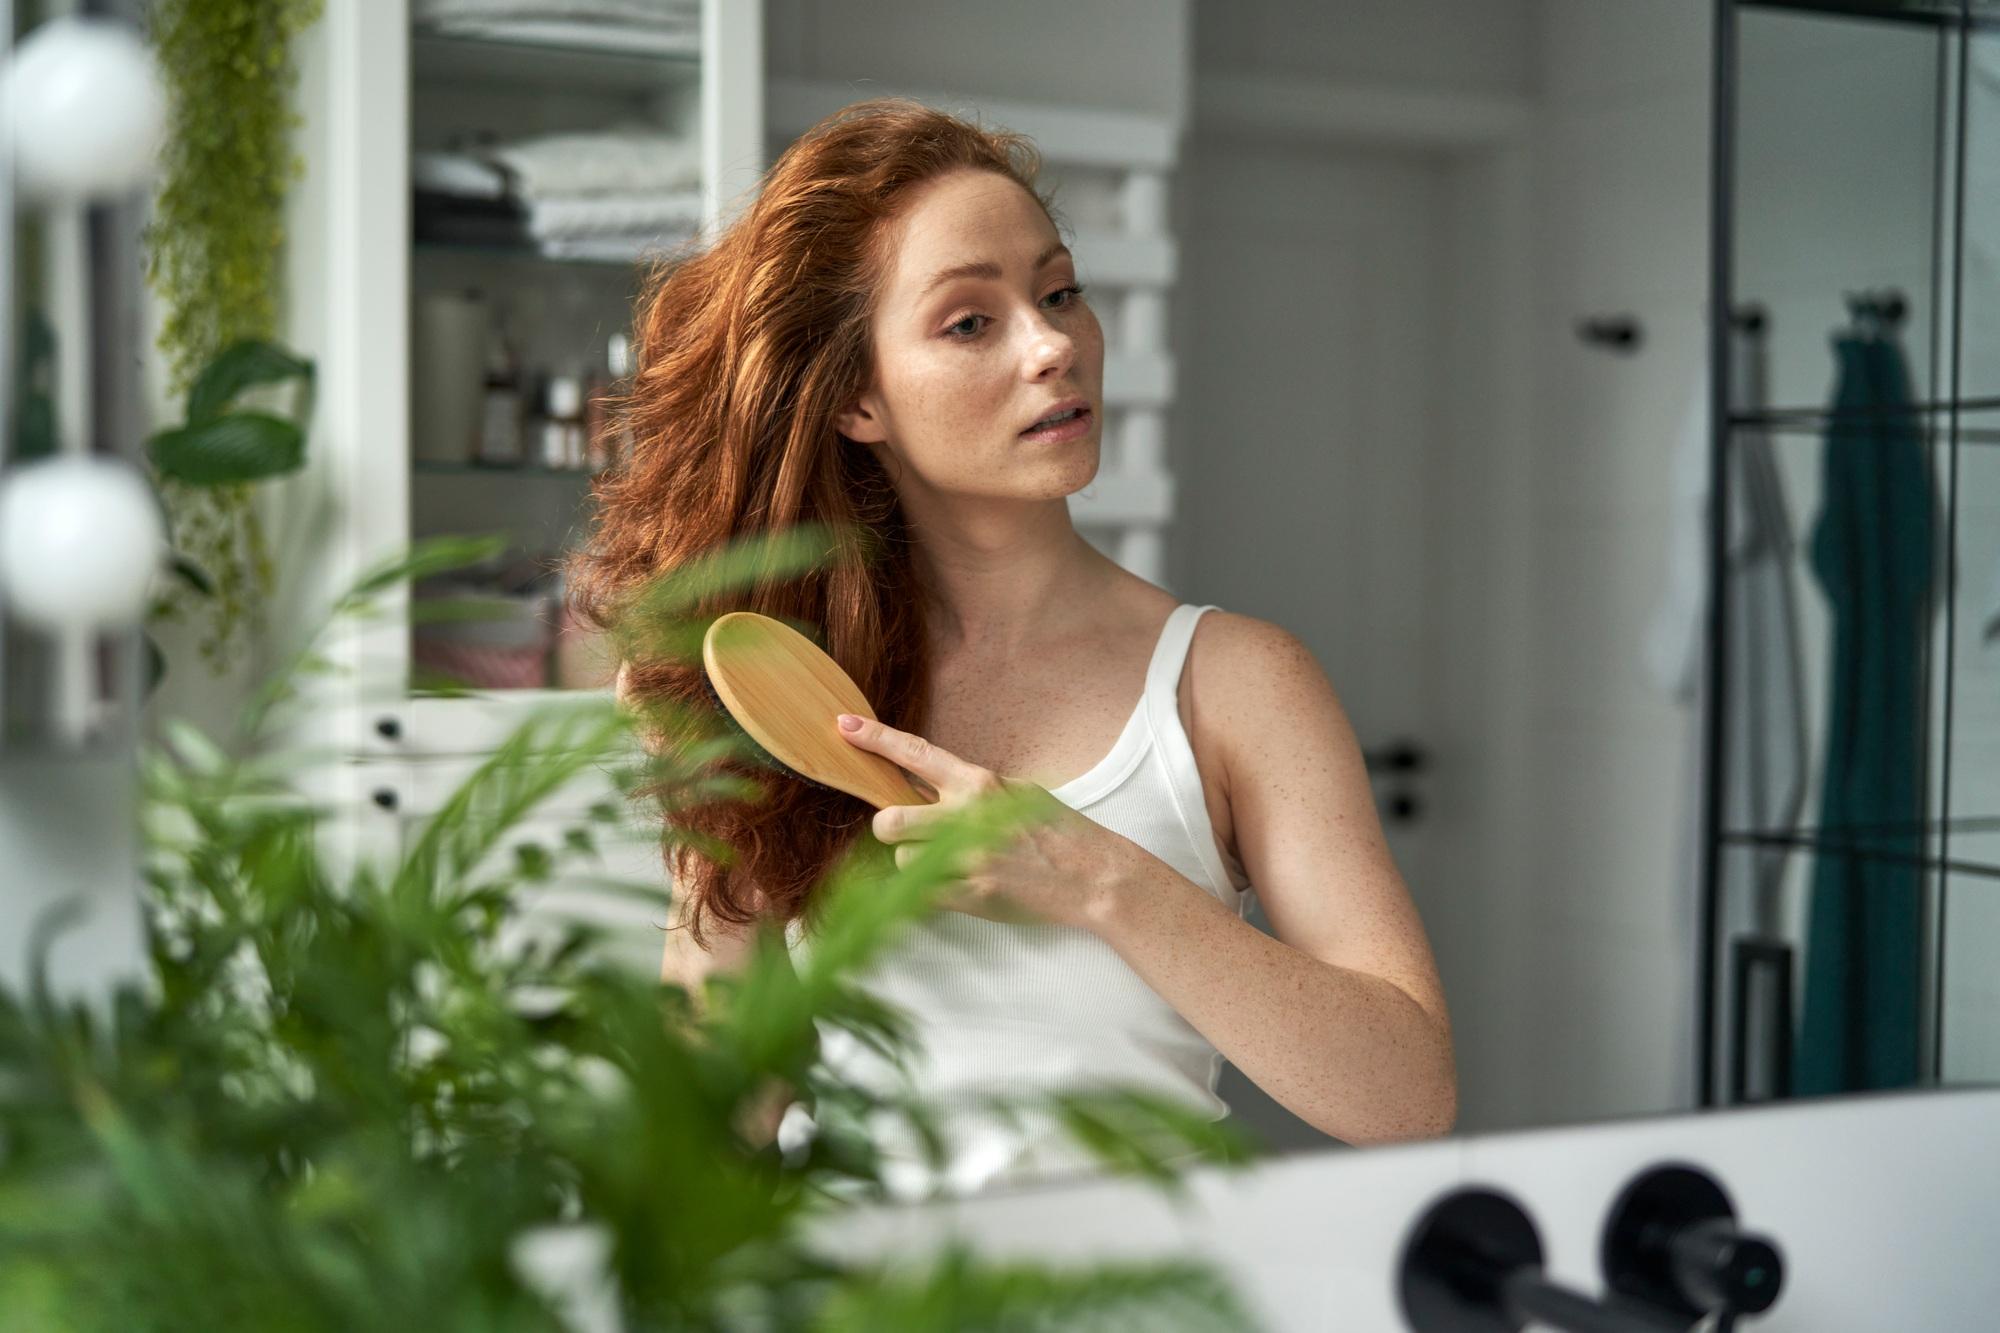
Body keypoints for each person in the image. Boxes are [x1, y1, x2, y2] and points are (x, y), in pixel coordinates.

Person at [566, 97, 1454, 1199]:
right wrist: (716, 828)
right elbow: (714, 1131)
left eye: (1057, 293)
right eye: (969, 322)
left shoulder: (1231, 683)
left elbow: (1405, 1095)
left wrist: (1098, 879)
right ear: (855, 399)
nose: (1051, 347)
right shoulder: (797, 688)